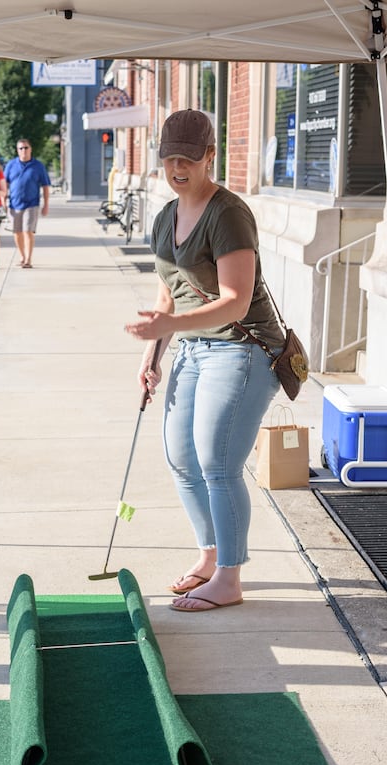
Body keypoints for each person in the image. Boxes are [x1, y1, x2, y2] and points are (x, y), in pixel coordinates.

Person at [124, 109, 284, 613]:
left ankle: (230, 577)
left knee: (218, 465)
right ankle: (210, 556)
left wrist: (167, 328)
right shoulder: (165, 216)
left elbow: (236, 300)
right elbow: (168, 295)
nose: (177, 168)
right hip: (194, 348)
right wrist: (152, 356)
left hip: (243, 347)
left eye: (188, 159)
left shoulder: (228, 213)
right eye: (169, 158)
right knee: (182, 460)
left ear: (210, 157)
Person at [3, 138, 50, 268]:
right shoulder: (11, 165)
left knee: (28, 231)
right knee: (17, 232)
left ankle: (28, 259)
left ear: (30, 149)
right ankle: (22, 256)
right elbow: (5, 184)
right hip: (14, 204)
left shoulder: (38, 166)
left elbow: (45, 186)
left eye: (26, 148)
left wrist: (46, 205)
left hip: (32, 204)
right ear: (17, 150)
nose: (23, 150)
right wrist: (3, 201)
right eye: (21, 148)